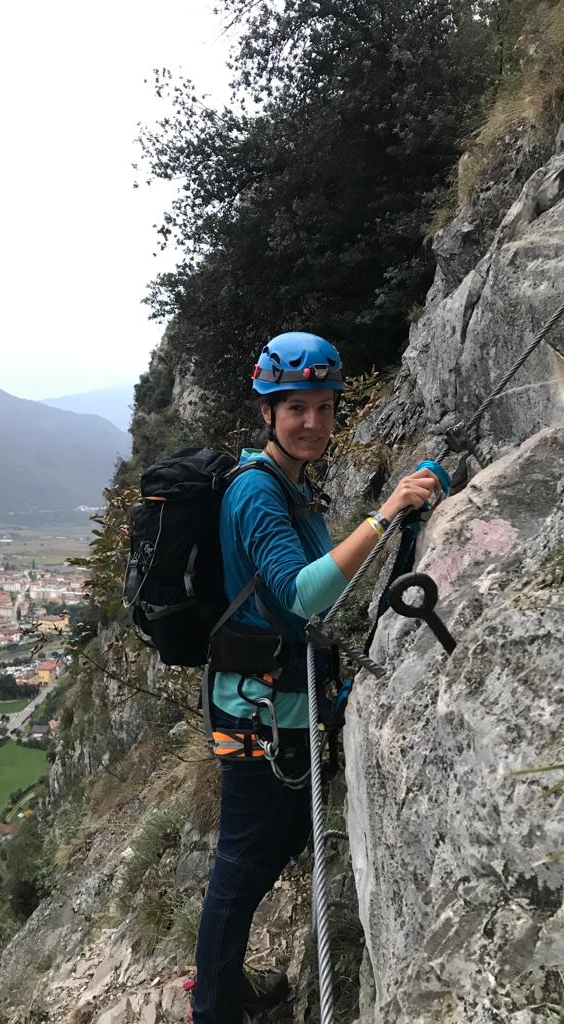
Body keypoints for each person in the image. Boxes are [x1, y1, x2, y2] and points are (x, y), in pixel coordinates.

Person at [190, 331, 439, 1024]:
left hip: (282, 706)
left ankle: (223, 985)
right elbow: (302, 595)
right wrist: (386, 512)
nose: (311, 422)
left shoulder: (295, 485)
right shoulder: (259, 495)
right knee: (239, 873)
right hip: (258, 718)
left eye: (324, 408)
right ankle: (211, 1007)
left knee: (267, 852)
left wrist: (399, 520)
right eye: (294, 406)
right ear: (267, 411)